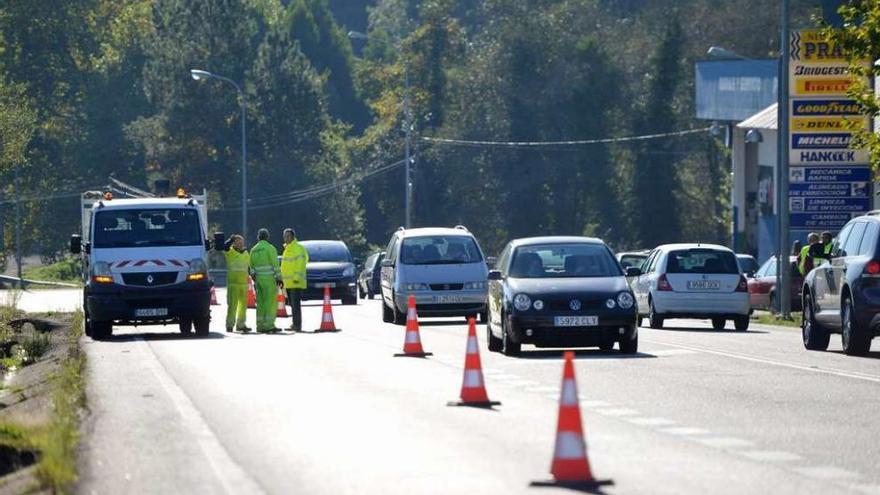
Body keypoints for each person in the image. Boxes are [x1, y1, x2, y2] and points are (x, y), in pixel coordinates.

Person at [249, 228, 281, 333]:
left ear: (258, 237)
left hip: (258, 280)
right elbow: (275, 265)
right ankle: (269, 325)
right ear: (267, 237)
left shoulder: (253, 249)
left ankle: (260, 325)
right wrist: (279, 278)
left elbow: (251, 266)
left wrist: (254, 276)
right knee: (270, 302)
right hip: (269, 279)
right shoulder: (270, 248)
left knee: (261, 302)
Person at [280, 228, 308, 332]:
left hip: (295, 281)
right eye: (285, 236)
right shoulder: (287, 248)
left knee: (295, 305)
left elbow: (300, 264)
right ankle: (295, 323)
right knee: (292, 304)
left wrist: (296, 277)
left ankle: (297, 325)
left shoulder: (297, 248)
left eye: (288, 236)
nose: (286, 238)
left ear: (293, 236)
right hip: (288, 282)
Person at [223, 234, 251, 333]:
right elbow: (224, 246)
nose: (240, 244)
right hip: (233, 284)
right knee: (232, 306)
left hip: (243, 284)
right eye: (238, 242)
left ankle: (241, 324)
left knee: (243, 306)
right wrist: (231, 239)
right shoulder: (230, 252)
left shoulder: (246, 253)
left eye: (241, 242)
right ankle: (230, 325)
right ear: (234, 243)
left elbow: (249, 267)